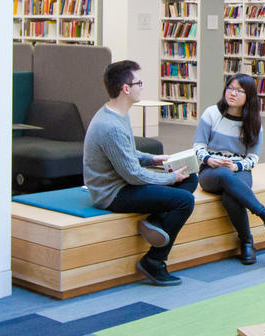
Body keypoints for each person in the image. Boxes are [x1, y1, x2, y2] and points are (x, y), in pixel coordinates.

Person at [84, 60, 198, 287]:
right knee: (185, 200)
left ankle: (155, 221)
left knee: (190, 177)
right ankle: (154, 261)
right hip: (113, 193)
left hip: (124, 182)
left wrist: (153, 159)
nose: (142, 87)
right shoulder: (110, 126)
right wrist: (170, 178)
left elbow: (127, 152)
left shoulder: (118, 113)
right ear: (126, 89)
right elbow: (134, 175)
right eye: (139, 83)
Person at [194, 74, 265, 265]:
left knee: (230, 196)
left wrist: (236, 166)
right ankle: (264, 214)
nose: (232, 93)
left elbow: (253, 158)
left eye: (239, 91)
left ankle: (246, 241)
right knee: (225, 174)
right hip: (211, 171)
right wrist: (209, 159)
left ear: (249, 96)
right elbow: (198, 146)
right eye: (230, 88)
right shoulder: (211, 113)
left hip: (240, 170)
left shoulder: (253, 122)